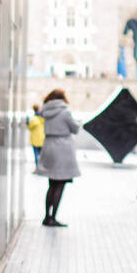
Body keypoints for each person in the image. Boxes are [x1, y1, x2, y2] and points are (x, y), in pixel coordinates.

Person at [36, 89, 80, 227]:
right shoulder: (64, 111)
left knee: (51, 184)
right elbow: (75, 129)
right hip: (62, 148)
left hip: (49, 146)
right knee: (60, 185)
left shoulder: (45, 111)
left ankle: (46, 216)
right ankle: (53, 217)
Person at [26, 104, 45, 169]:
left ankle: (38, 168)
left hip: (35, 139)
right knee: (42, 155)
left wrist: (27, 123)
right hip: (43, 139)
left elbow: (29, 128)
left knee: (36, 154)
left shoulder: (33, 119)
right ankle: (42, 167)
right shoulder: (44, 118)